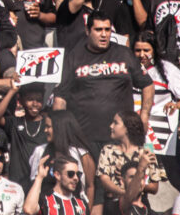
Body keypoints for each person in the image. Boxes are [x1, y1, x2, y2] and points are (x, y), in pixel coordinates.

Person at [53, 13, 153, 155]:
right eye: (98, 30)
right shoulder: (74, 56)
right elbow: (60, 97)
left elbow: (147, 84)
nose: (104, 34)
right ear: (87, 31)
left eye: (107, 30)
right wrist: (61, 134)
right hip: (84, 138)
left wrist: (144, 115)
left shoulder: (124, 54)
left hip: (120, 137)